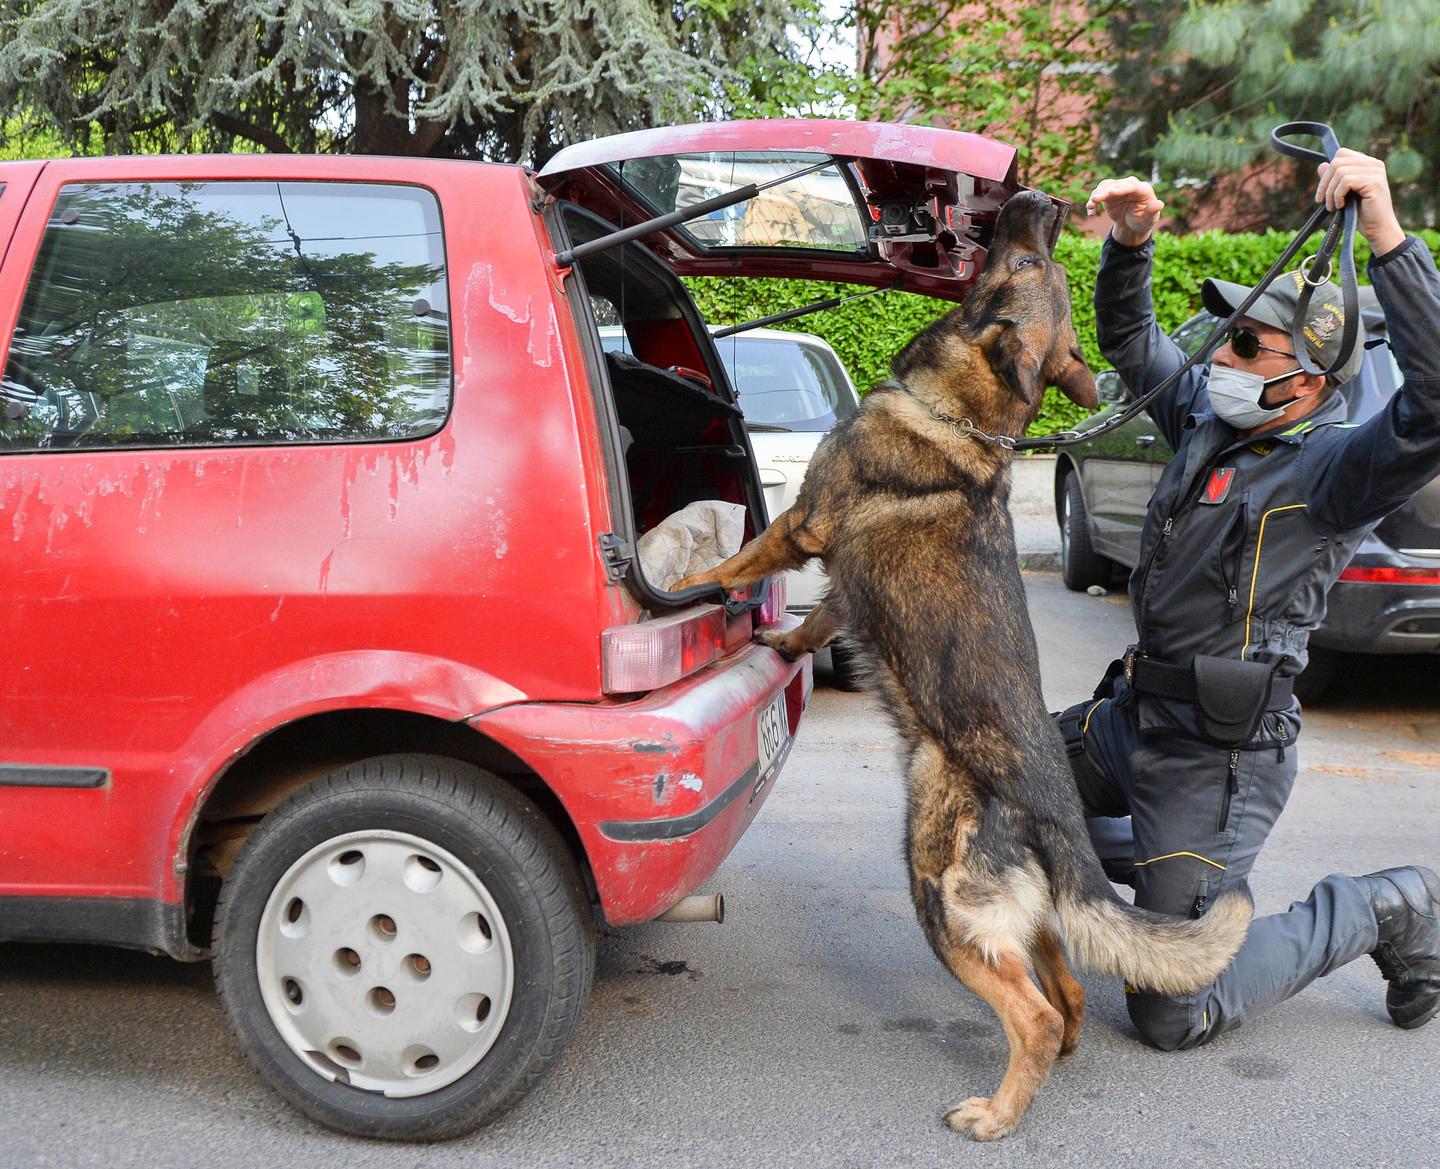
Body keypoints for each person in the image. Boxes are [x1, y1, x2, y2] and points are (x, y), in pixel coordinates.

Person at [1054, 149, 1440, 1050]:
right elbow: (1131, 340)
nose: (1217, 354)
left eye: (1242, 343)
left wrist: (1385, 227)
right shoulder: (1207, 418)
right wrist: (1132, 242)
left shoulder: (1334, 469)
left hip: (1214, 765)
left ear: (1307, 378)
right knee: (996, 777)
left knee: (1169, 1009)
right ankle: (1145, 865)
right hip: (1130, 721)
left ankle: (1387, 907)